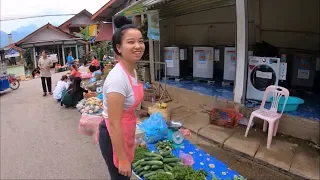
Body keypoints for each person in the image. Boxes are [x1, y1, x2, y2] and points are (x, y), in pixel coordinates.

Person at [98, 15, 145, 180]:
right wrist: (123, 159)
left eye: (140, 41)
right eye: (131, 42)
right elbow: (113, 122)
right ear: (119, 48)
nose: (138, 46)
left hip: (125, 130)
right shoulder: (117, 79)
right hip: (113, 135)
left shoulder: (132, 69)